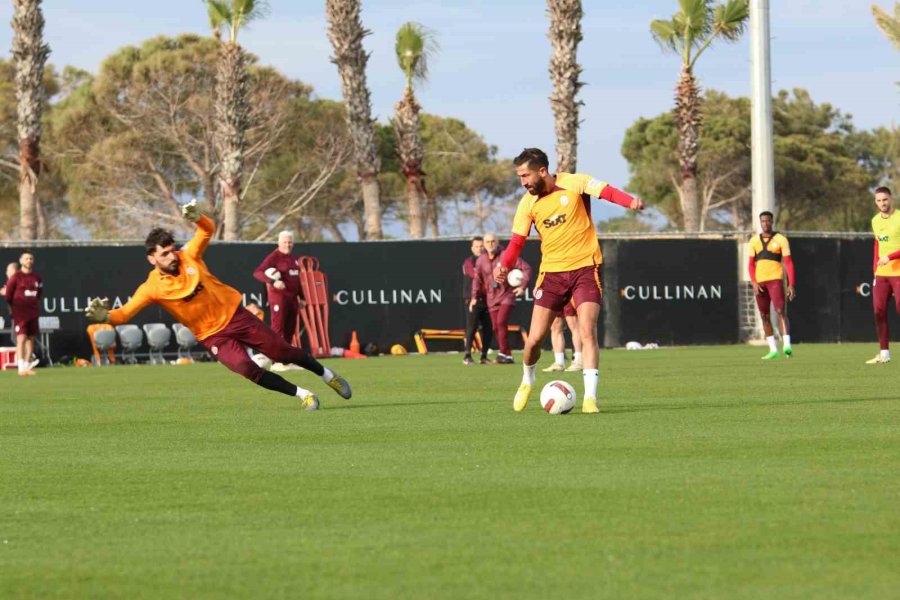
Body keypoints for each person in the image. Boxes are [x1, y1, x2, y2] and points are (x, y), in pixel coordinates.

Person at [85, 200, 351, 410]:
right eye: (164, 254)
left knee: (282, 352)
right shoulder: (152, 288)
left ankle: (328, 375)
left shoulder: (189, 256)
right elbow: (124, 314)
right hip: (213, 335)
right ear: (151, 259)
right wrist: (105, 316)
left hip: (237, 316)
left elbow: (207, 230)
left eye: (172, 249)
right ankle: (303, 394)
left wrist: (197, 217)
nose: (171, 256)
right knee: (247, 369)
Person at [495, 148, 643, 413]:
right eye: (519, 177)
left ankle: (589, 399)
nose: (523, 182)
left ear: (542, 171)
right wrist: (504, 266)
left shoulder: (574, 183)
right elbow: (517, 241)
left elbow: (606, 190)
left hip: (586, 268)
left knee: (587, 331)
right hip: (551, 274)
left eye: (526, 176)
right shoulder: (528, 203)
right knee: (535, 340)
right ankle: (527, 380)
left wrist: (629, 201)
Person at [471, 233, 531, 364]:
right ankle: (507, 355)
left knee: (500, 322)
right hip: (491, 298)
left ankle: (503, 352)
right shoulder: (481, 260)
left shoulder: (506, 255)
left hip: (507, 295)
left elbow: (526, 268)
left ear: (497, 242)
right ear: (484, 244)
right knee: (496, 326)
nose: (490, 244)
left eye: (493, 241)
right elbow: (477, 279)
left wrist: (522, 287)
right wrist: (474, 297)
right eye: (487, 242)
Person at [748, 211, 796, 359]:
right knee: (764, 315)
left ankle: (787, 345)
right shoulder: (754, 241)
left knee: (780, 310)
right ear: (759, 223)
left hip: (775, 279)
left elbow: (788, 262)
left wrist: (791, 284)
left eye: (768, 221)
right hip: (760, 283)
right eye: (762, 221)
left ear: (772, 221)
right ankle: (773, 350)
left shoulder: (781, 239)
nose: (765, 224)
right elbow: (750, 265)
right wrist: (754, 282)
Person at [252, 231, 306, 345]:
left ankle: (286, 359)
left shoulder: (294, 258)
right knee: (278, 329)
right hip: (279, 298)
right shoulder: (274, 257)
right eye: (285, 242)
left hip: (292, 299)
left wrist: (302, 297)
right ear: (279, 243)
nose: (287, 245)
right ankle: (275, 359)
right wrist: (273, 282)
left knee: (290, 330)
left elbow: (297, 280)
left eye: (290, 242)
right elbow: (257, 272)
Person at [867, 186, 900, 364]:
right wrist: (875, 269)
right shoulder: (875, 221)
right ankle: (884, 354)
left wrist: (890, 256)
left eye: (885, 200)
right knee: (878, 311)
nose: (882, 203)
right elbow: (877, 245)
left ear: (891, 199)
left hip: (898, 273)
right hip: (881, 274)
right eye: (879, 201)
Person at [4, 251, 42, 376]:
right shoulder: (16, 277)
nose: (29, 261)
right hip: (20, 314)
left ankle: (27, 365)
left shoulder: (37, 278)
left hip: (33, 313)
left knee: (31, 339)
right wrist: (17, 306)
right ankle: (20, 367)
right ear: (21, 261)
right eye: (26, 259)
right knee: (21, 338)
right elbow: (8, 295)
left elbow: (39, 294)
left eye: (31, 258)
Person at [462, 235, 492, 365]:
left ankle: (484, 356)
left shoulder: (490, 261)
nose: (479, 249)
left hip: (489, 300)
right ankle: (467, 355)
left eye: (481, 246)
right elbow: (474, 275)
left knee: (488, 329)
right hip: (473, 299)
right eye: (476, 246)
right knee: (472, 328)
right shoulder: (468, 262)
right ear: (472, 248)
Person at [542, 303, 583, 372]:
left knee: (573, 323)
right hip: (557, 295)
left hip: (570, 295)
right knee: (555, 326)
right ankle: (559, 363)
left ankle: (579, 361)